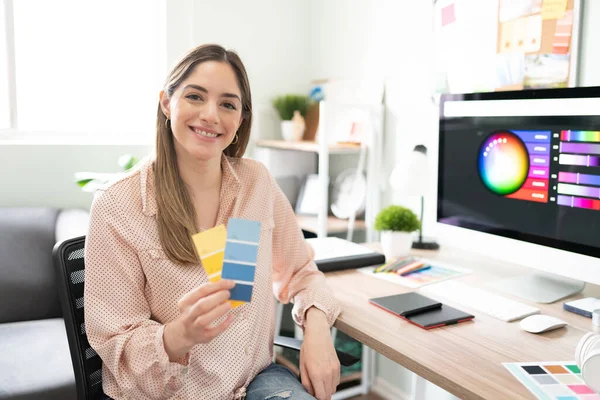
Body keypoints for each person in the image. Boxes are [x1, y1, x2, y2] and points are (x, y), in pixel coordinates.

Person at [84, 44, 342, 400]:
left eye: (227, 104)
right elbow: (115, 344)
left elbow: (300, 272)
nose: (211, 115)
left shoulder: (255, 185)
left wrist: (316, 329)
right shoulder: (118, 205)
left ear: (239, 121)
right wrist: (179, 335)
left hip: (255, 383)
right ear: (166, 103)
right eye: (195, 96)